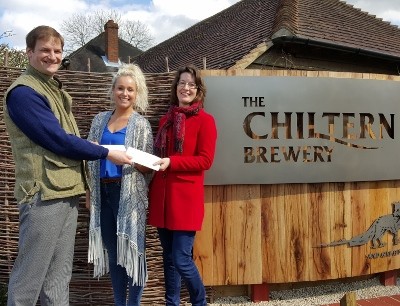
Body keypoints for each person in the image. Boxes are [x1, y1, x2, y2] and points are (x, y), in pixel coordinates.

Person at [3, 25, 133, 306]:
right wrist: (106, 152)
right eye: (45, 50)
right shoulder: (25, 93)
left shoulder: (52, 90)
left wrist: (84, 184)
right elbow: (59, 141)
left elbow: (67, 140)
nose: (52, 56)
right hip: (44, 195)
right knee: (29, 278)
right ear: (29, 53)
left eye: (57, 50)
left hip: (64, 192)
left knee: (58, 277)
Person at [148, 65, 218, 306]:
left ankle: (199, 302)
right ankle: (172, 303)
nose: (186, 88)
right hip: (163, 197)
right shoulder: (166, 119)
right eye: (182, 83)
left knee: (181, 258)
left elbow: (205, 160)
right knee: (168, 258)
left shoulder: (206, 121)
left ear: (198, 90)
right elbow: (159, 155)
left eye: (191, 84)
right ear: (175, 88)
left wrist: (172, 162)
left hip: (185, 200)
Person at [86, 63, 153, 306]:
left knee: (133, 254)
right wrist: (89, 191)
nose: (125, 94)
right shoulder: (99, 120)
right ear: (113, 90)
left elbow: (148, 168)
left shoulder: (141, 125)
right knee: (114, 255)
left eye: (130, 90)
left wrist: (137, 161)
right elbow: (88, 157)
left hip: (129, 195)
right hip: (102, 193)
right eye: (121, 88)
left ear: (137, 94)